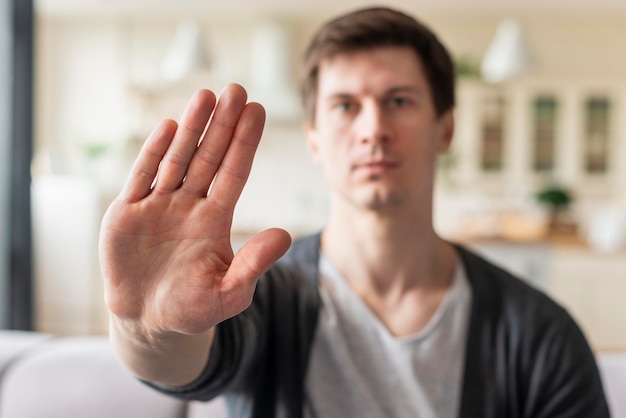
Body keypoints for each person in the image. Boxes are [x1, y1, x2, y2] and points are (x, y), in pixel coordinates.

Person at [100, 6, 610, 418]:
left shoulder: (540, 333)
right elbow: (184, 364)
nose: (373, 128)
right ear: (315, 140)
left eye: (400, 101)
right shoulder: (261, 296)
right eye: (345, 105)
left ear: (446, 129)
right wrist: (147, 326)